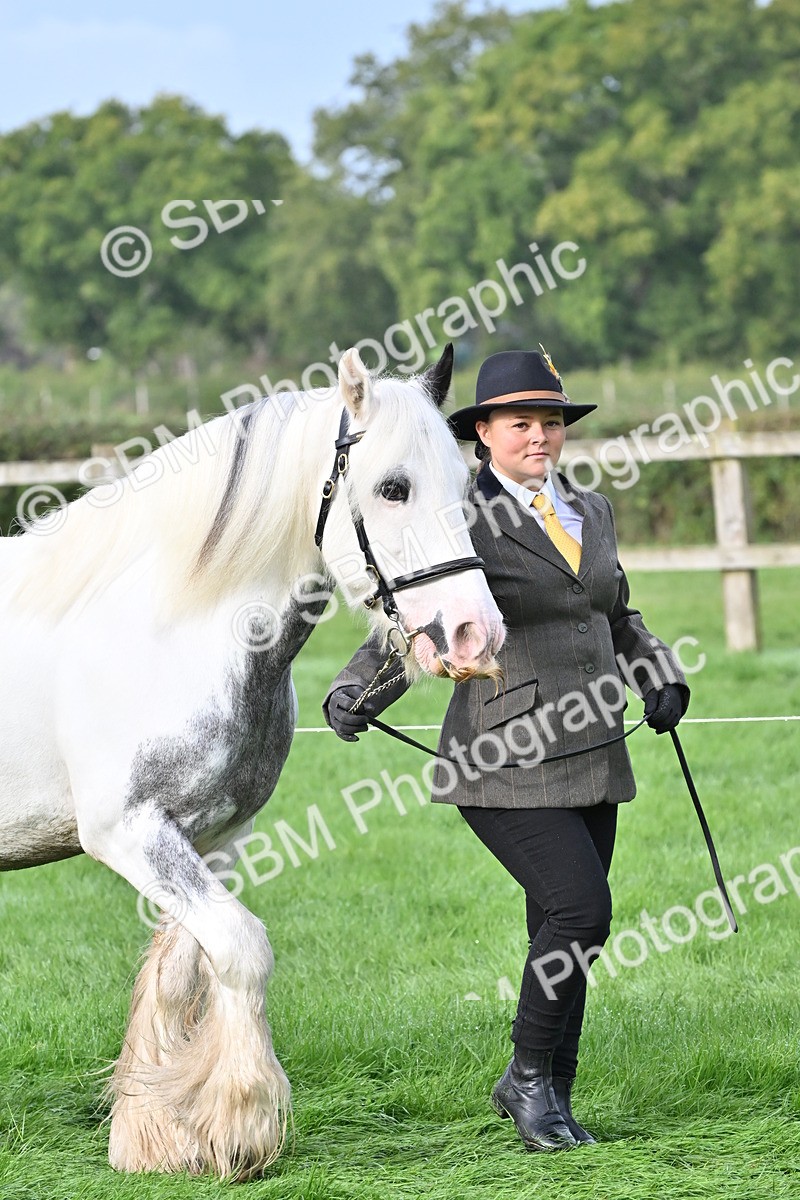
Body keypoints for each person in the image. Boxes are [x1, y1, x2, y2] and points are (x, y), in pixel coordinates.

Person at [323, 349, 689, 1152]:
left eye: (551, 422)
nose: (539, 436)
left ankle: (552, 1090)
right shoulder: (462, 513)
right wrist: (360, 689)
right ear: (482, 432)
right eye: (519, 423)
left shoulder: (590, 508)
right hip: (504, 753)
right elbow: (418, 598)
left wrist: (658, 674)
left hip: (595, 748)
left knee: (556, 931)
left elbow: (616, 611)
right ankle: (526, 1079)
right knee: (583, 911)